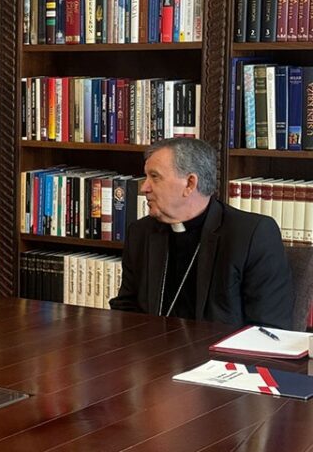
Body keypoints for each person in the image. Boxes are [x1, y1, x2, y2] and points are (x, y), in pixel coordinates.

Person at [110, 138, 294, 328]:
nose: (144, 187)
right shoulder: (141, 233)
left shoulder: (252, 235)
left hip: (222, 355)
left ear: (190, 183)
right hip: (152, 353)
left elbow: (269, 328)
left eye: (154, 177)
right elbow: (126, 309)